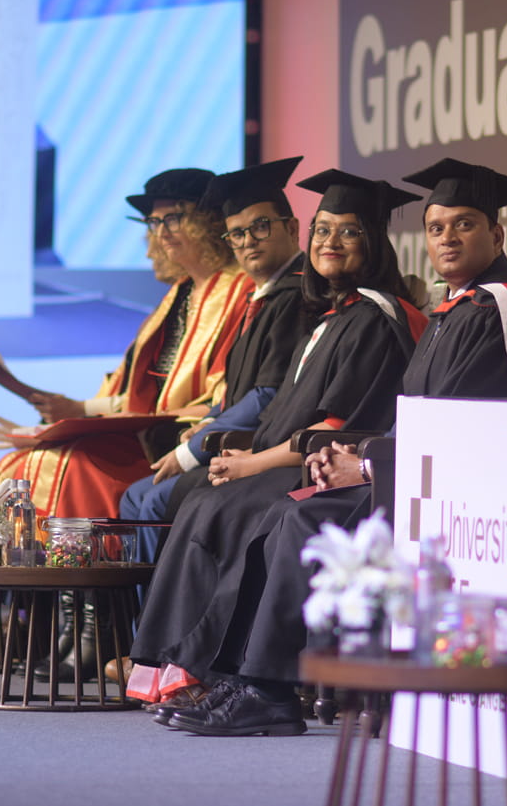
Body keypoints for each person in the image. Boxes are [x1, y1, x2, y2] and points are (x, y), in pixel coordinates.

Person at [165, 158, 507, 737]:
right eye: (436, 228)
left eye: (463, 224)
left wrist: (368, 461)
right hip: (421, 474)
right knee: (286, 512)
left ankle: (268, 689)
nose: (447, 238)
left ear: (497, 234)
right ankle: (245, 679)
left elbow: (473, 426)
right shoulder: (455, 309)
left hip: (470, 489)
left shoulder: (500, 306)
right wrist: (354, 455)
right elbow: (420, 417)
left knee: (304, 519)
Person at [126, 169, 431, 717]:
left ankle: (211, 672)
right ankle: (180, 668)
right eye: (323, 231)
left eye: (349, 232)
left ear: (374, 243)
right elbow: (285, 413)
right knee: (205, 503)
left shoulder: (373, 319)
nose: (329, 244)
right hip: (289, 459)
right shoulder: (332, 317)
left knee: (227, 507)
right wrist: (247, 454)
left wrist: (252, 466)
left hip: (326, 469)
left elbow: (333, 427)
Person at [0, 168, 253, 520]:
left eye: (173, 218)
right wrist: (78, 411)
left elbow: (224, 397)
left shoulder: (243, 293)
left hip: (180, 440)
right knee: (17, 463)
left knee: (67, 466)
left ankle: (79, 573)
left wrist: (83, 413)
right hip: (143, 434)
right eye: (153, 223)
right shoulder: (178, 296)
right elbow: (143, 392)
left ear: (206, 222)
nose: (162, 233)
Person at [117, 157, 314, 562]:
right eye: (237, 233)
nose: (248, 242)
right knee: (134, 497)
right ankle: (136, 623)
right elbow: (237, 390)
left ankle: (158, 623)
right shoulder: (257, 300)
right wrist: (211, 418)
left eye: (260, 227)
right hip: (232, 441)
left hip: (265, 452)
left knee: (152, 504)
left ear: (292, 229)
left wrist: (194, 448)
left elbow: (267, 394)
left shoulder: (297, 298)